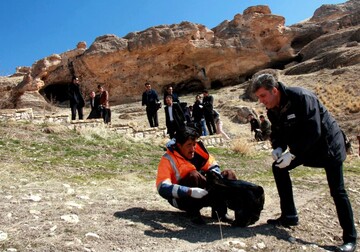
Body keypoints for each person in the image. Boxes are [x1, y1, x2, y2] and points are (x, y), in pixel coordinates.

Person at [252, 73, 357, 252]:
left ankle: (350, 239)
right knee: (278, 168)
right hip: (305, 148)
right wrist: (277, 148)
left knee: (337, 190)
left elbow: (313, 131)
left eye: (263, 95)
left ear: (274, 90)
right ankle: (289, 215)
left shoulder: (302, 97)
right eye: (258, 97)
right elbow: (278, 132)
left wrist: (292, 154)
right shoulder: (273, 109)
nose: (261, 101)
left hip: (328, 146)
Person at [156, 125, 236, 224]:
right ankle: (193, 214)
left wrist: (216, 176)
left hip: (202, 193)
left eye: (194, 144)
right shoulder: (167, 159)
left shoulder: (197, 150)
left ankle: (220, 213)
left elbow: (212, 164)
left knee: (228, 174)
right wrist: (188, 191)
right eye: (189, 145)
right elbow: (162, 188)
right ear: (179, 145)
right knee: (193, 175)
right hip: (181, 199)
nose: (193, 148)